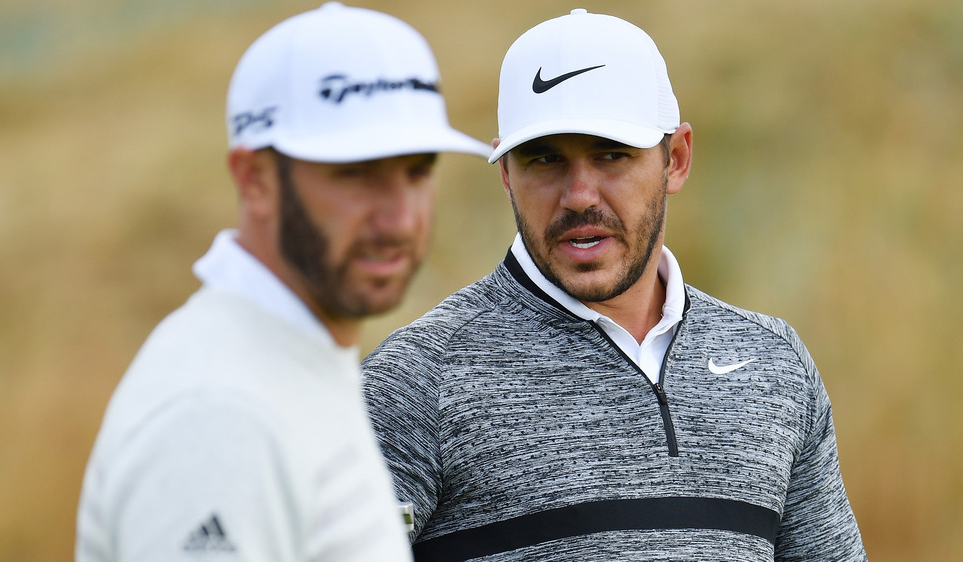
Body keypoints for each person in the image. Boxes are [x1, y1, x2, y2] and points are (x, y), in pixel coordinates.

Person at [361, 8, 867, 561]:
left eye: (611, 155)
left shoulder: (774, 364)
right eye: (545, 159)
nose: (579, 195)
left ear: (675, 158)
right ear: (507, 174)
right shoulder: (412, 385)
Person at [75, 3, 490, 561]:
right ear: (255, 180)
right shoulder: (221, 416)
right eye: (355, 172)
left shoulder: (290, 365)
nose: (399, 218)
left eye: (417, 171)